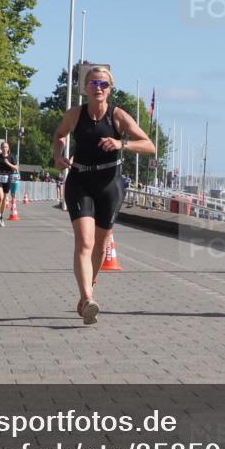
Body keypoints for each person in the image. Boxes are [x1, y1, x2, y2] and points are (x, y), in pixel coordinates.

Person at [52, 65, 155, 325]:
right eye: (94, 84)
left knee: (100, 245)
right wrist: (58, 155)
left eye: (103, 84)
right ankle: (87, 299)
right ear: (85, 88)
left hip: (110, 184)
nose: (98, 88)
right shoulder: (75, 114)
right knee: (84, 242)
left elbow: (149, 145)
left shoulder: (118, 116)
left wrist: (122, 143)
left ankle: (89, 285)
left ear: (110, 89)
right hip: (80, 181)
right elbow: (59, 135)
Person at [0, 141, 18, 227]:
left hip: (8, 179)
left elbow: (16, 168)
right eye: (3, 147)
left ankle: (1, 217)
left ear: (8, 148)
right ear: (0, 148)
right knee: (1, 197)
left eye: (6, 147)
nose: (4, 148)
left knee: (4, 198)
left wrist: (8, 163)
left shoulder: (12, 157)